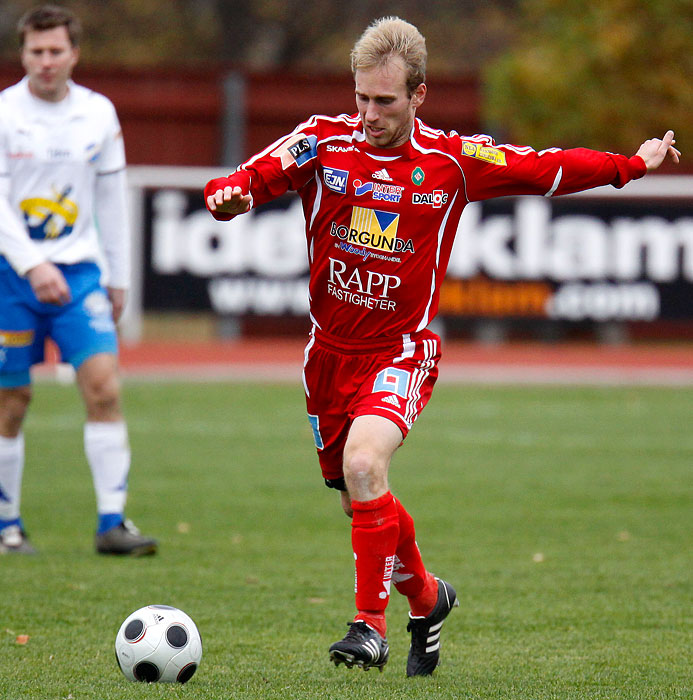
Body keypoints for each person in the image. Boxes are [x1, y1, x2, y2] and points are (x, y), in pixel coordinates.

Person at [205, 16, 680, 676]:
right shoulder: (319, 142)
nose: (368, 114)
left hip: (402, 349)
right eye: (361, 99)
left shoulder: (451, 161)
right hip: (327, 356)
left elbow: (543, 167)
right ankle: (427, 600)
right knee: (358, 498)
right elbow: (242, 182)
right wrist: (226, 200)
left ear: (417, 96)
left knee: (367, 465)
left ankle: (367, 627)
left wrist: (628, 165)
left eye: (385, 101)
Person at [0, 5, 157, 556]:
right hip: (11, 278)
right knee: (11, 400)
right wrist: (32, 265)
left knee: (104, 387)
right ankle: (6, 525)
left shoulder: (98, 114)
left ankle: (111, 523)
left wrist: (117, 277)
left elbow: (111, 201)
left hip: (82, 275)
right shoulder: (4, 113)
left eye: (55, 51)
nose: (45, 62)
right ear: (23, 54)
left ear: (74, 54)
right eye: (35, 52)